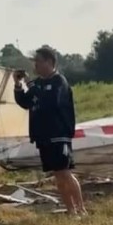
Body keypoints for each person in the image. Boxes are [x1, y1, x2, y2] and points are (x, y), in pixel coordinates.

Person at [13, 46, 86, 216]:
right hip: (43, 137)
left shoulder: (59, 81)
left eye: (38, 61)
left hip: (59, 135)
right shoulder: (38, 84)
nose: (35, 65)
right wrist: (18, 85)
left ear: (49, 62)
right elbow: (26, 102)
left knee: (65, 172)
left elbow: (51, 101)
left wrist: (30, 84)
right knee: (57, 174)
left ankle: (81, 209)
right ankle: (71, 210)